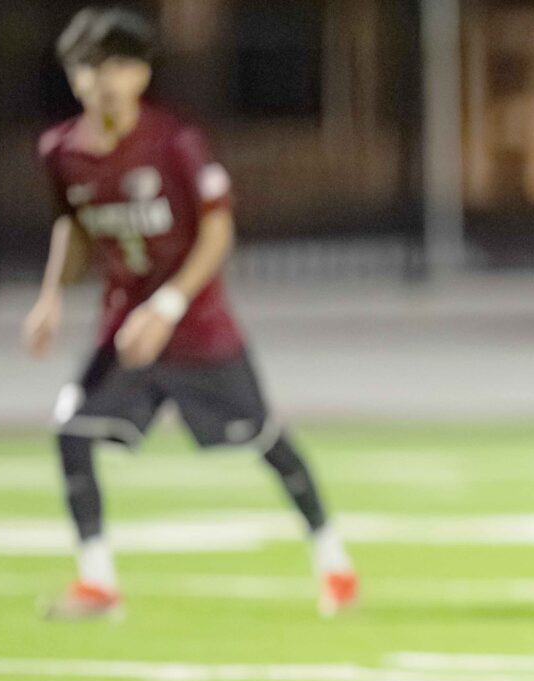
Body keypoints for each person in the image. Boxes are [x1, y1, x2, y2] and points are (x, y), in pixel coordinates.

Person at [23, 6, 356, 620]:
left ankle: (334, 563)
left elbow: (217, 231)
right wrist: (49, 296)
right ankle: (98, 585)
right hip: (126, 335)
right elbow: (70, 223)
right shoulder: (61, 151)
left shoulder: (175, 141)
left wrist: (169, 305)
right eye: (90, 66)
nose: (105, 79)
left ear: (142, 75)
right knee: (71, 430)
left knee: (264, 437)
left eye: (120, 64)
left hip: (198, 332)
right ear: (72, 78)